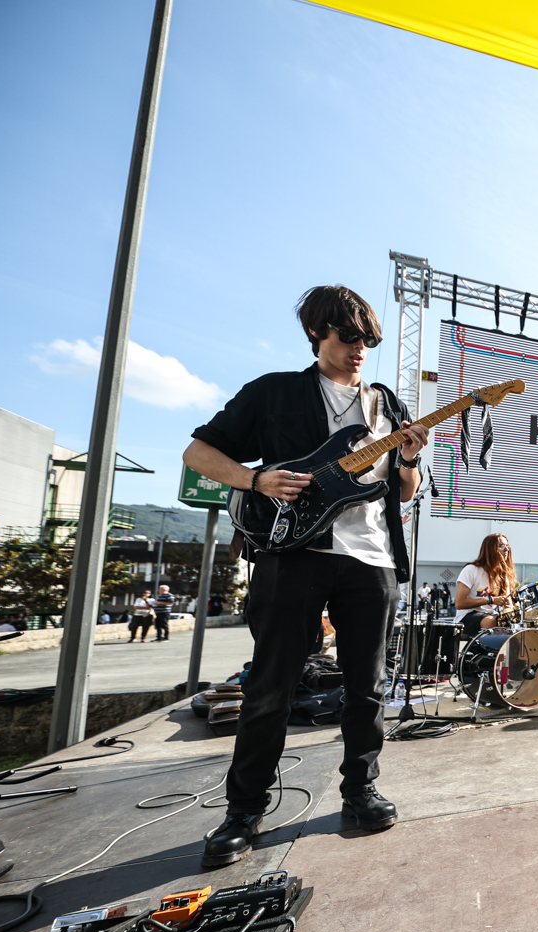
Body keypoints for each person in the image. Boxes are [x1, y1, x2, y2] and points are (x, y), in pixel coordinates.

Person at [183, 283, 428, 867]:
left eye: (368, 339)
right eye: (348, 337)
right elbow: (198, 452)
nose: (359, 349)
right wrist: (256, 479)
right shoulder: (274, 393)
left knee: (367, 687)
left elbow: (404, 491)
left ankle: (360, 789)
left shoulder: (387, 404)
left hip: (372, 560)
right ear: (317, 333)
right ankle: (244, 810)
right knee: (270, 689)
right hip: (293, 555)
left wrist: (411, 457)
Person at [453, 534, 516, 636]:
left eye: (507, 546)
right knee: (490, 621)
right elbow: (459, 603)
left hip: (491, 615)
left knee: (516, 625)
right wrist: (490, 600)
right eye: (501, 546)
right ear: (490, 549)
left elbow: (509, 606)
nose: (506, 549)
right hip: (467, 616)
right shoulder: (471, 570)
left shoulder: (503, 576)